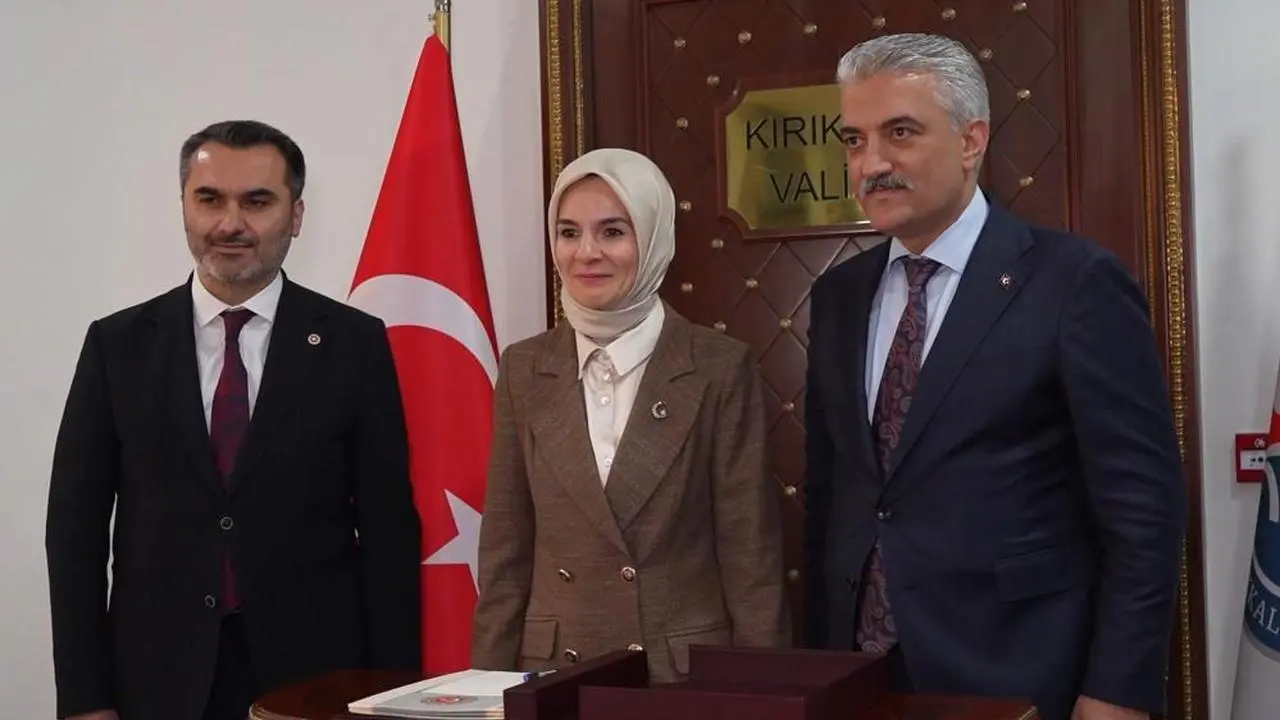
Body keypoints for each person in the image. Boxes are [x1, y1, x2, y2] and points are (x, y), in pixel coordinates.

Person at [802, 33, 1186, 720]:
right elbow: (832, 498)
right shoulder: (839, 296)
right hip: (859, 675)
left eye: (900, 133)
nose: (872, 163)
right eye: (854, 140)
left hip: (1020, 676)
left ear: (971, 140)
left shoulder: (1075, 282)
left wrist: (1117, 691)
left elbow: (1143, 512)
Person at [45, 120, 422, 720]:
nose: (230, 224)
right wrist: (86, 701)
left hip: (315, 683)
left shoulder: (355, 345)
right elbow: (74, 536)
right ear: (184, 207)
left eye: (257, 202)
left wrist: (392, 696)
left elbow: (389, 537)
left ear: (296, 216)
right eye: (210, 199)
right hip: (155, 682)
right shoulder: (117, 347)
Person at [471, 147, 789, 681]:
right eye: (568, 232)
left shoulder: (718, 366)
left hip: (679, 682)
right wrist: (487, 691)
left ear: (654, 239)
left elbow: (750, 559)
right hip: (554, 678)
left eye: (613, 232)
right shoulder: (524, 368)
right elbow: (505, 553)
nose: (586, 253)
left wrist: (763, 696)